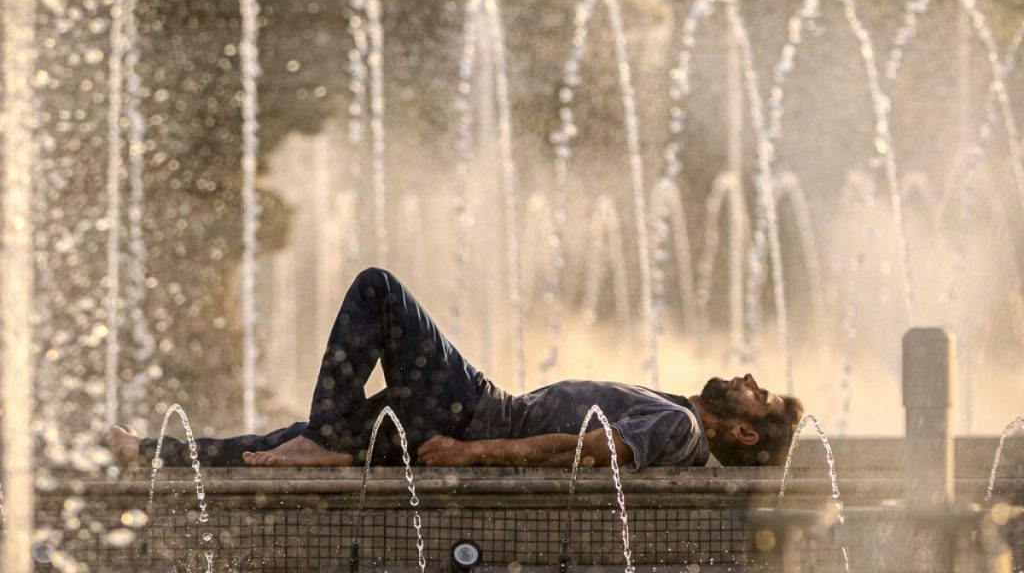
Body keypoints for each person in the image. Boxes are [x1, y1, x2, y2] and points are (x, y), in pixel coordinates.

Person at [109, 267, 803, 470]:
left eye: (757, 393)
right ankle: (150, 451)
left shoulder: (681, 426)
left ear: (744, 432)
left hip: (474, 414)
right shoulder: (678, 415)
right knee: (278, 443)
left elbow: (592, 449)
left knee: (378, 290)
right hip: (466, 421)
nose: (746, 376)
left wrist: (476, 451)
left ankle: (321, 443)